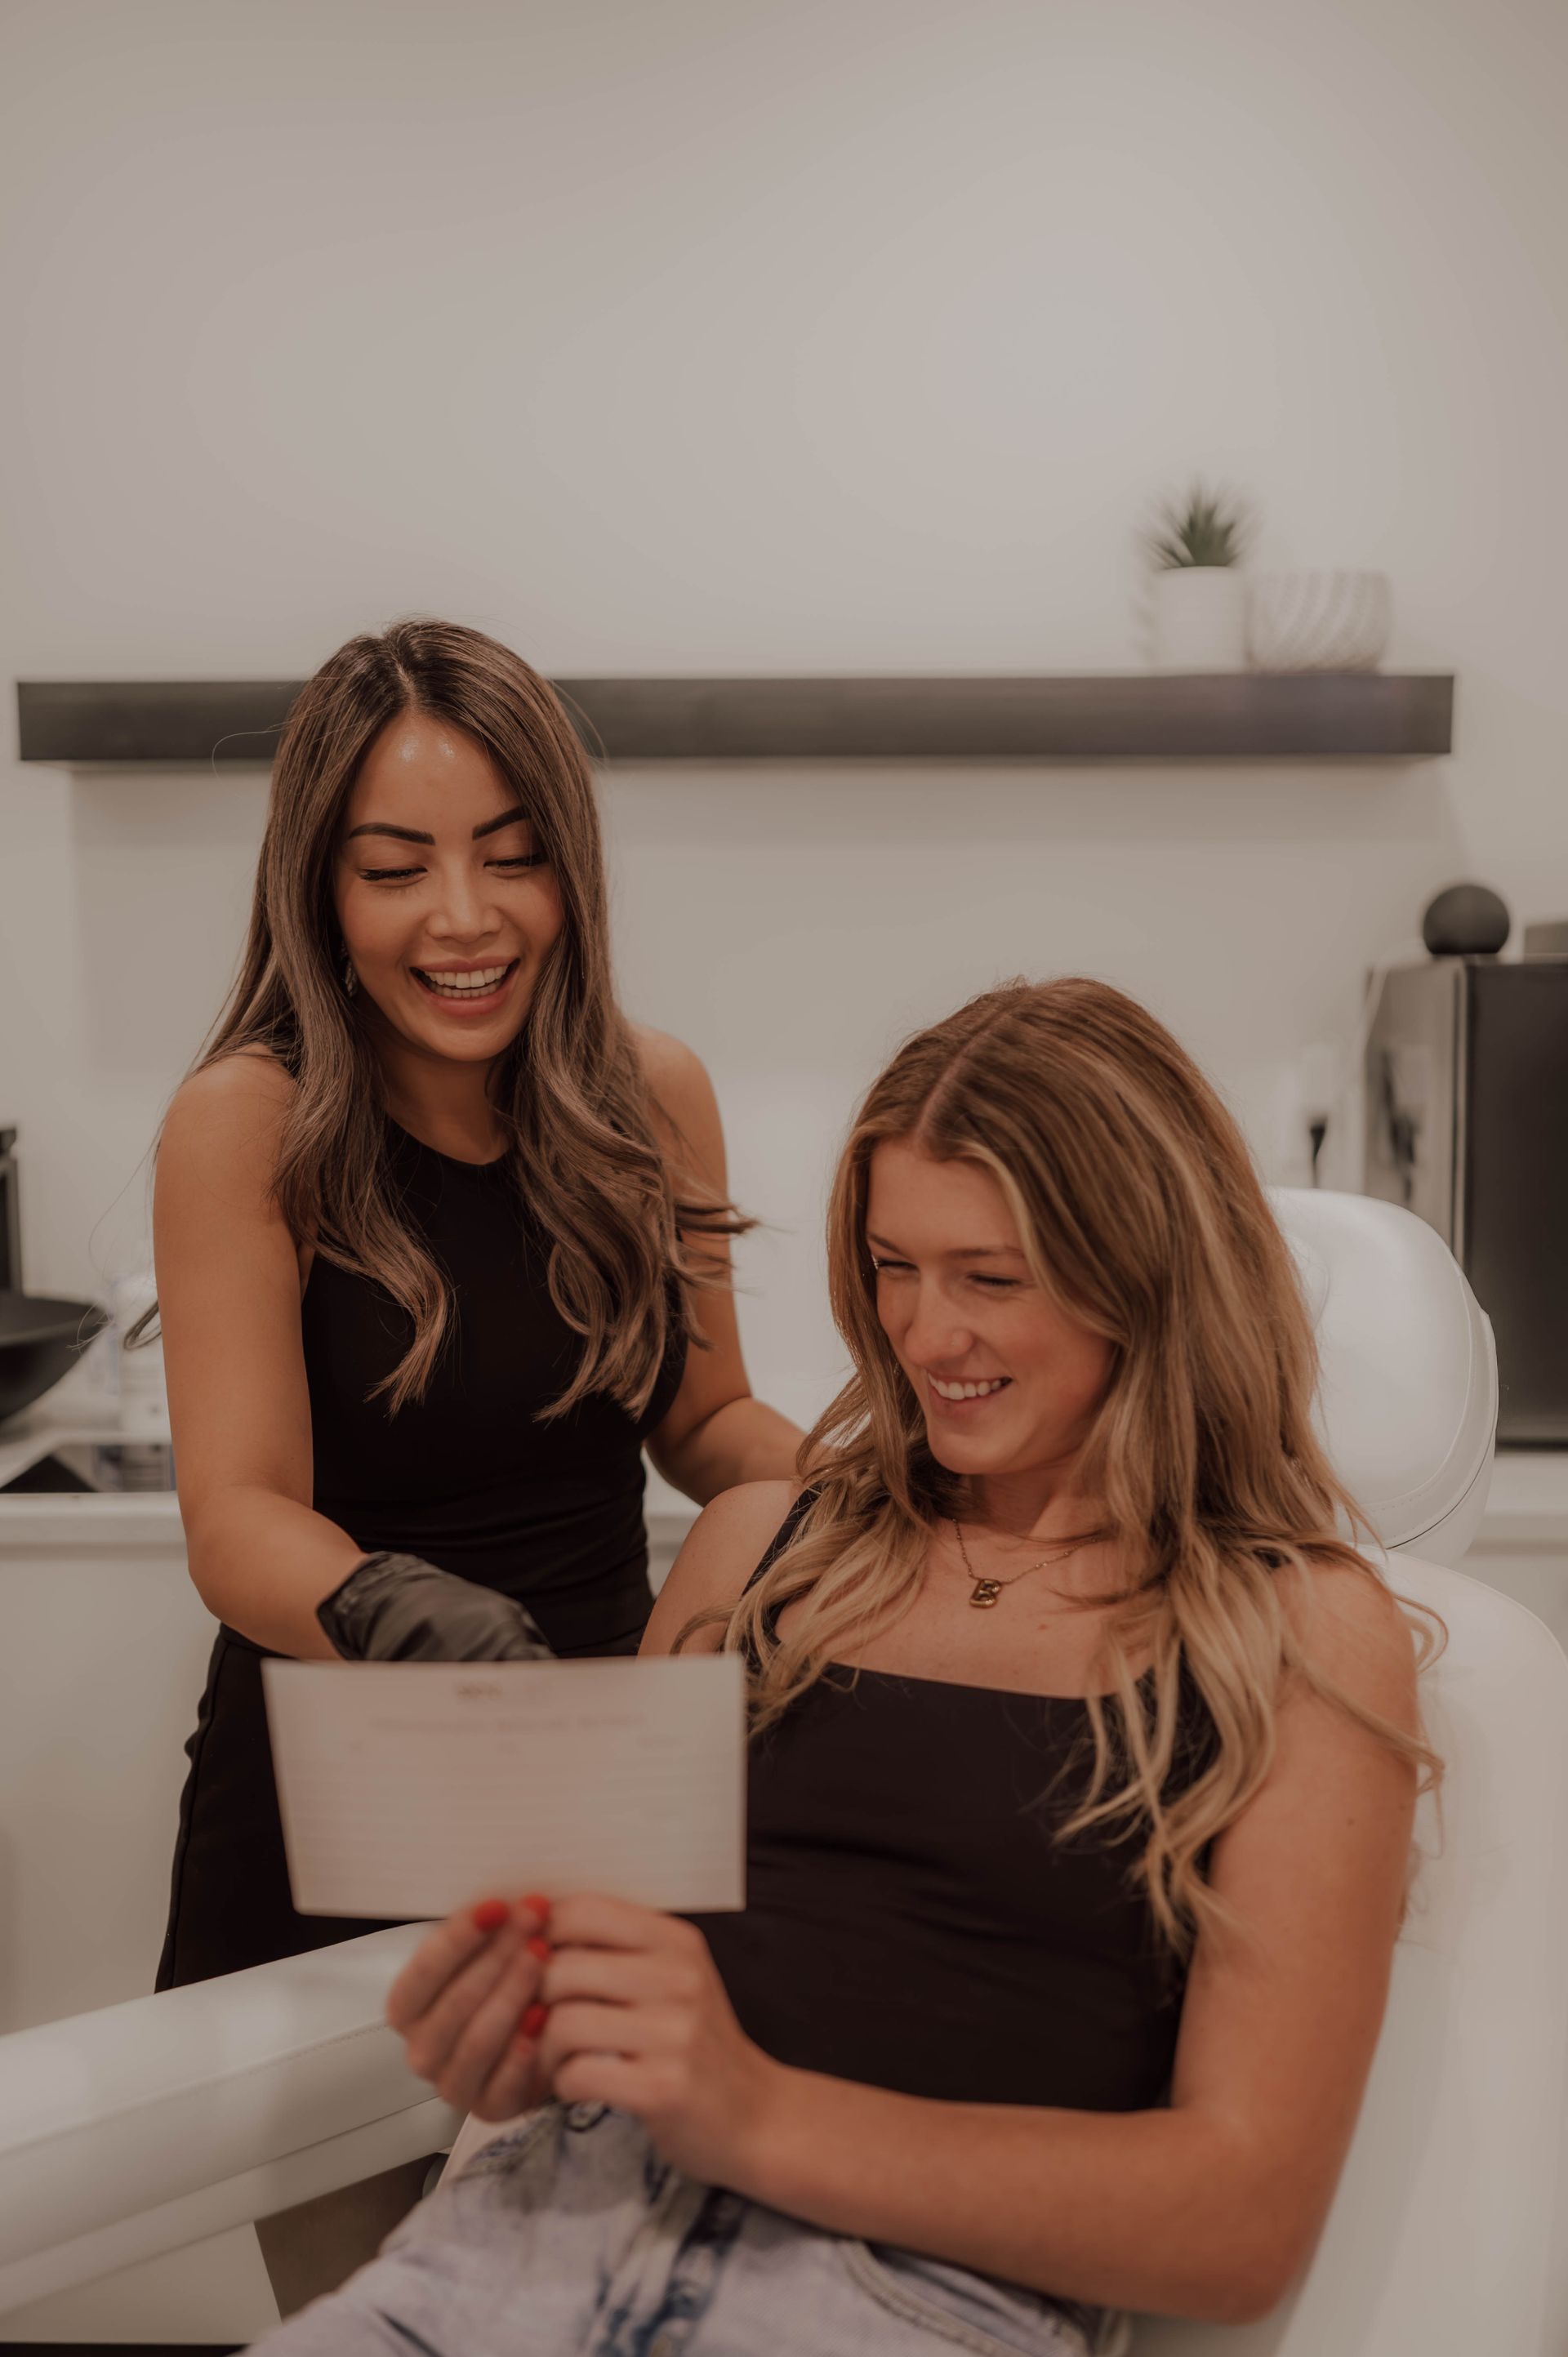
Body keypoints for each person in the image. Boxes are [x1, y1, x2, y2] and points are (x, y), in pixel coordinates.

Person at [250, 976, 1436, 2356]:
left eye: (992, 1277)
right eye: (892, 1265)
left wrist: (750, 2112)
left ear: (1149, 1276)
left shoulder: (1294, 1631)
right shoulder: (764, 1548)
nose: (925, 1337)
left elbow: (1239, 2223)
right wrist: (520, 2036)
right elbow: (589, 1981)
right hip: (514, 2250)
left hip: (893, 2306)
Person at [149, 620, 802, 2300]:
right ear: (320, 888)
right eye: (397, 867)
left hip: (596, 1788)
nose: (464, 918)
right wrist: (393, 1607)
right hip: (330, 1811)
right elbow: (236, 1519)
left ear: (569, 874)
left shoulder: (651, 1097)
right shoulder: (250, 1120)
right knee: (379, 2315)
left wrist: (803, 1483)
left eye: (514, 861)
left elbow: (703, 1416)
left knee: (610, 2296)